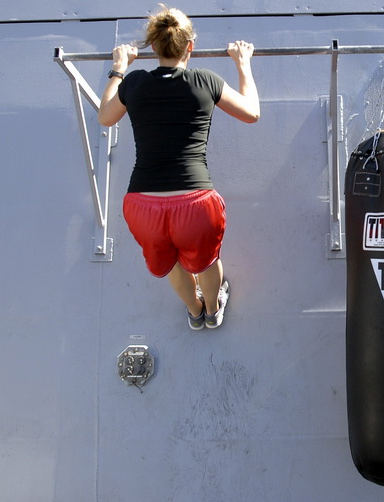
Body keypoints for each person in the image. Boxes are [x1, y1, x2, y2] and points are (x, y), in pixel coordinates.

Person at [98, 5, 260, 330]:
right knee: (206, 261)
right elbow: (251, 112)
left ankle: (194, 309)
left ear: (154, 46)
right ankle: (213, 310)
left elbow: (105, 117)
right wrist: (243, 64)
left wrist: (118, 68)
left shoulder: (134, 83)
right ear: (190, 46)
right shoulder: (205, 81)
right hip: (195, 204)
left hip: (143, 205)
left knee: (172, 263)